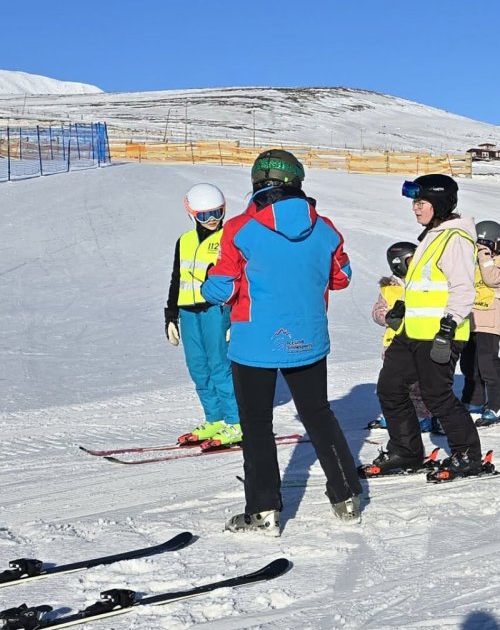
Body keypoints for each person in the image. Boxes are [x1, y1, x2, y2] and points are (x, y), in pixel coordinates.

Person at [201, 149, 362, 534]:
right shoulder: (324, 228)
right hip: (308, 336)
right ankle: (346, 498)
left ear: (258, 183)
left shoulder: (239, 229)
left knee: (257, 424)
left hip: (254, 340)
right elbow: (341, 278)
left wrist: (209, 279)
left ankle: (264, 511)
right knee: (318, 415)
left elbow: (222, 289)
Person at [363, 174, 490, 480]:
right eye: (415, 203)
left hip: (438, 333)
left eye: (421, 202)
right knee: (390, 389)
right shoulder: (432, 236)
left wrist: (448, 327)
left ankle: (468, 455)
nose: (415, 208)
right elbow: (425, 286)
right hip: (411, 332)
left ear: (439, 203)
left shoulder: (455, 238)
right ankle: (406, 451)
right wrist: (402, 309)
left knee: (436, 395)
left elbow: (463, 288)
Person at [165, 183, 240, 449]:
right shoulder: (184, 241)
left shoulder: (229, 238)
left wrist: (235, 317)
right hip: (188, 311)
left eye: (217, 213)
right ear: (192, 213)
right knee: (198, 367)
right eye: (204, 215)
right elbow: (177, 278)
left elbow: (240, 278)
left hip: (216, 310)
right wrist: (170, 315)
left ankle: (236, 421)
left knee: (220, 366)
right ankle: (215, 418)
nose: (212, 220)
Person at [369, 242, 436, 433]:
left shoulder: (424, 283)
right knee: (392, 384)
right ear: (398, 263)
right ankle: (395, 415)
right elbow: (377, 312)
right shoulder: (389, 289)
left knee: (417, 384)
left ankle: (422, 416)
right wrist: (389, 316)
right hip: (393, 344)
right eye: (411, 260)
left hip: (418, 341)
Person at [461, 220, 500, 426]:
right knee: (469, 365)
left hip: (489, 321)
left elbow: (492, 279)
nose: (481, 248)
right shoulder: (473, 263)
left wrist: (484, 255)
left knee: (487, 364)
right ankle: (474, 402)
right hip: (469, 320)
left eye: (486, 244)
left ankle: (499, 407)